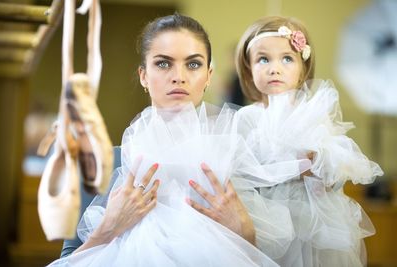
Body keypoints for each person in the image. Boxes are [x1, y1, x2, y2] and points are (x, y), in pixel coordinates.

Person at [49, 13, 288, 266]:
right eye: (164, 63)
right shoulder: (103, 164)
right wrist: (107, 229)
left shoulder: (236, 162)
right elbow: (67, 262)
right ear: (143, 75)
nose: (179, 76)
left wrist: (245, 235)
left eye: (193, 64)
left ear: (208, 75)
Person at [235, 15, 384, 267]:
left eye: (287, 58)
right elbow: (240, 172)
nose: (275, 68)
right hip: (266, 218)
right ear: (249, 70)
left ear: (303, 69)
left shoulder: (314, 114)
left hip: (313, 221)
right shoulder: (247, 118)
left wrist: (320, 164)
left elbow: (335, 174)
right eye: (263, 59)